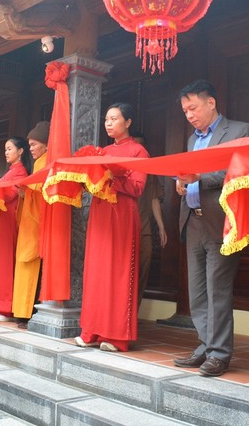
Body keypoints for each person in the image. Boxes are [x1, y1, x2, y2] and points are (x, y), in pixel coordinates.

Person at [173, 79, 249, 377]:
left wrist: (198, 178)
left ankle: (220, 353)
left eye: (193, 107)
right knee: (197, 292)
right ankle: (207, 345)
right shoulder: (193, 139)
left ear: (211, 102)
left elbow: (240, 169)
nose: (189, 114)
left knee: (217, 289)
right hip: (193, 219)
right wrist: (180, 182)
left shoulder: (239, 130)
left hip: (222, 220)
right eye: (184, 111)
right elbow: (187, 173)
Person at [75, 103, 148, 352]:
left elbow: (137, 188)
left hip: (122, 214)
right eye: (106, 119)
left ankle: (116, 336)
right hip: (100, 212)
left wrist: (112, 177)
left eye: (114, 118)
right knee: (95, 270)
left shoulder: (139, 151)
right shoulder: (101, 151)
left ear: (127, 122)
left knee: (118, 271)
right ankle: (91, 331)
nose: (108, 123)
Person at [0, 137, 33, 321]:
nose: (6, 152)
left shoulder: (21, 172)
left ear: (20, 151)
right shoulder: (10, 172)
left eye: (9, 149)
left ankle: (5, 307)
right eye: (5, 149)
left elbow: (10, 194)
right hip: (0, 217)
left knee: (4, 260)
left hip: (9, 218)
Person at [12, 121, 49, 328]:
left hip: (36, 223)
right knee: (24, 263)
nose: (31, 149)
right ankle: (22, 310)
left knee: (32, 265)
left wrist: (28, 192)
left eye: (35, 144)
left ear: (46, 145)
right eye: (30, 144)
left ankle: (28, 311)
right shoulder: (37, 163)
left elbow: (44, 193)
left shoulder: (47, 162)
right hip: (28, 222)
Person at [132, 132, 168, 309]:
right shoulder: (121, 168)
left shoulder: (149, 172)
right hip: (125, 229)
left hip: (144, 228)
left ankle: (133, 314)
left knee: (142, 272)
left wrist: (161, 228)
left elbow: (154, 200)